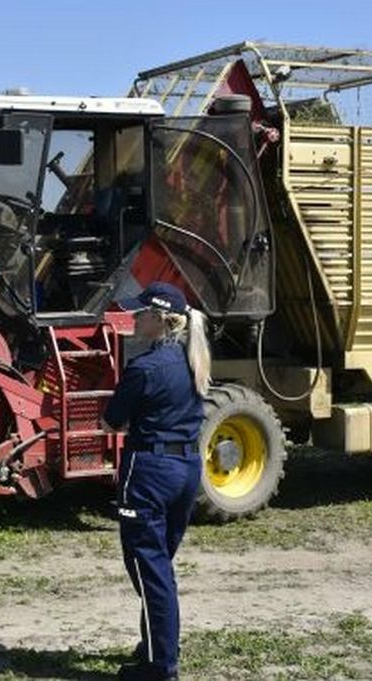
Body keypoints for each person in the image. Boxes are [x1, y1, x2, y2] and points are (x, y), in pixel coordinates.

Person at [101, 281, 211, 681]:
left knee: (149, 569)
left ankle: (161, 665)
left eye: (140, 312)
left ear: (159, 320)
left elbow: (110, 420)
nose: (133, 318)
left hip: (148, 472)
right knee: (159, 564)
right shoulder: (193, 359)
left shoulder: (145, 368)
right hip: (185, 470)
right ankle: (157, 644)